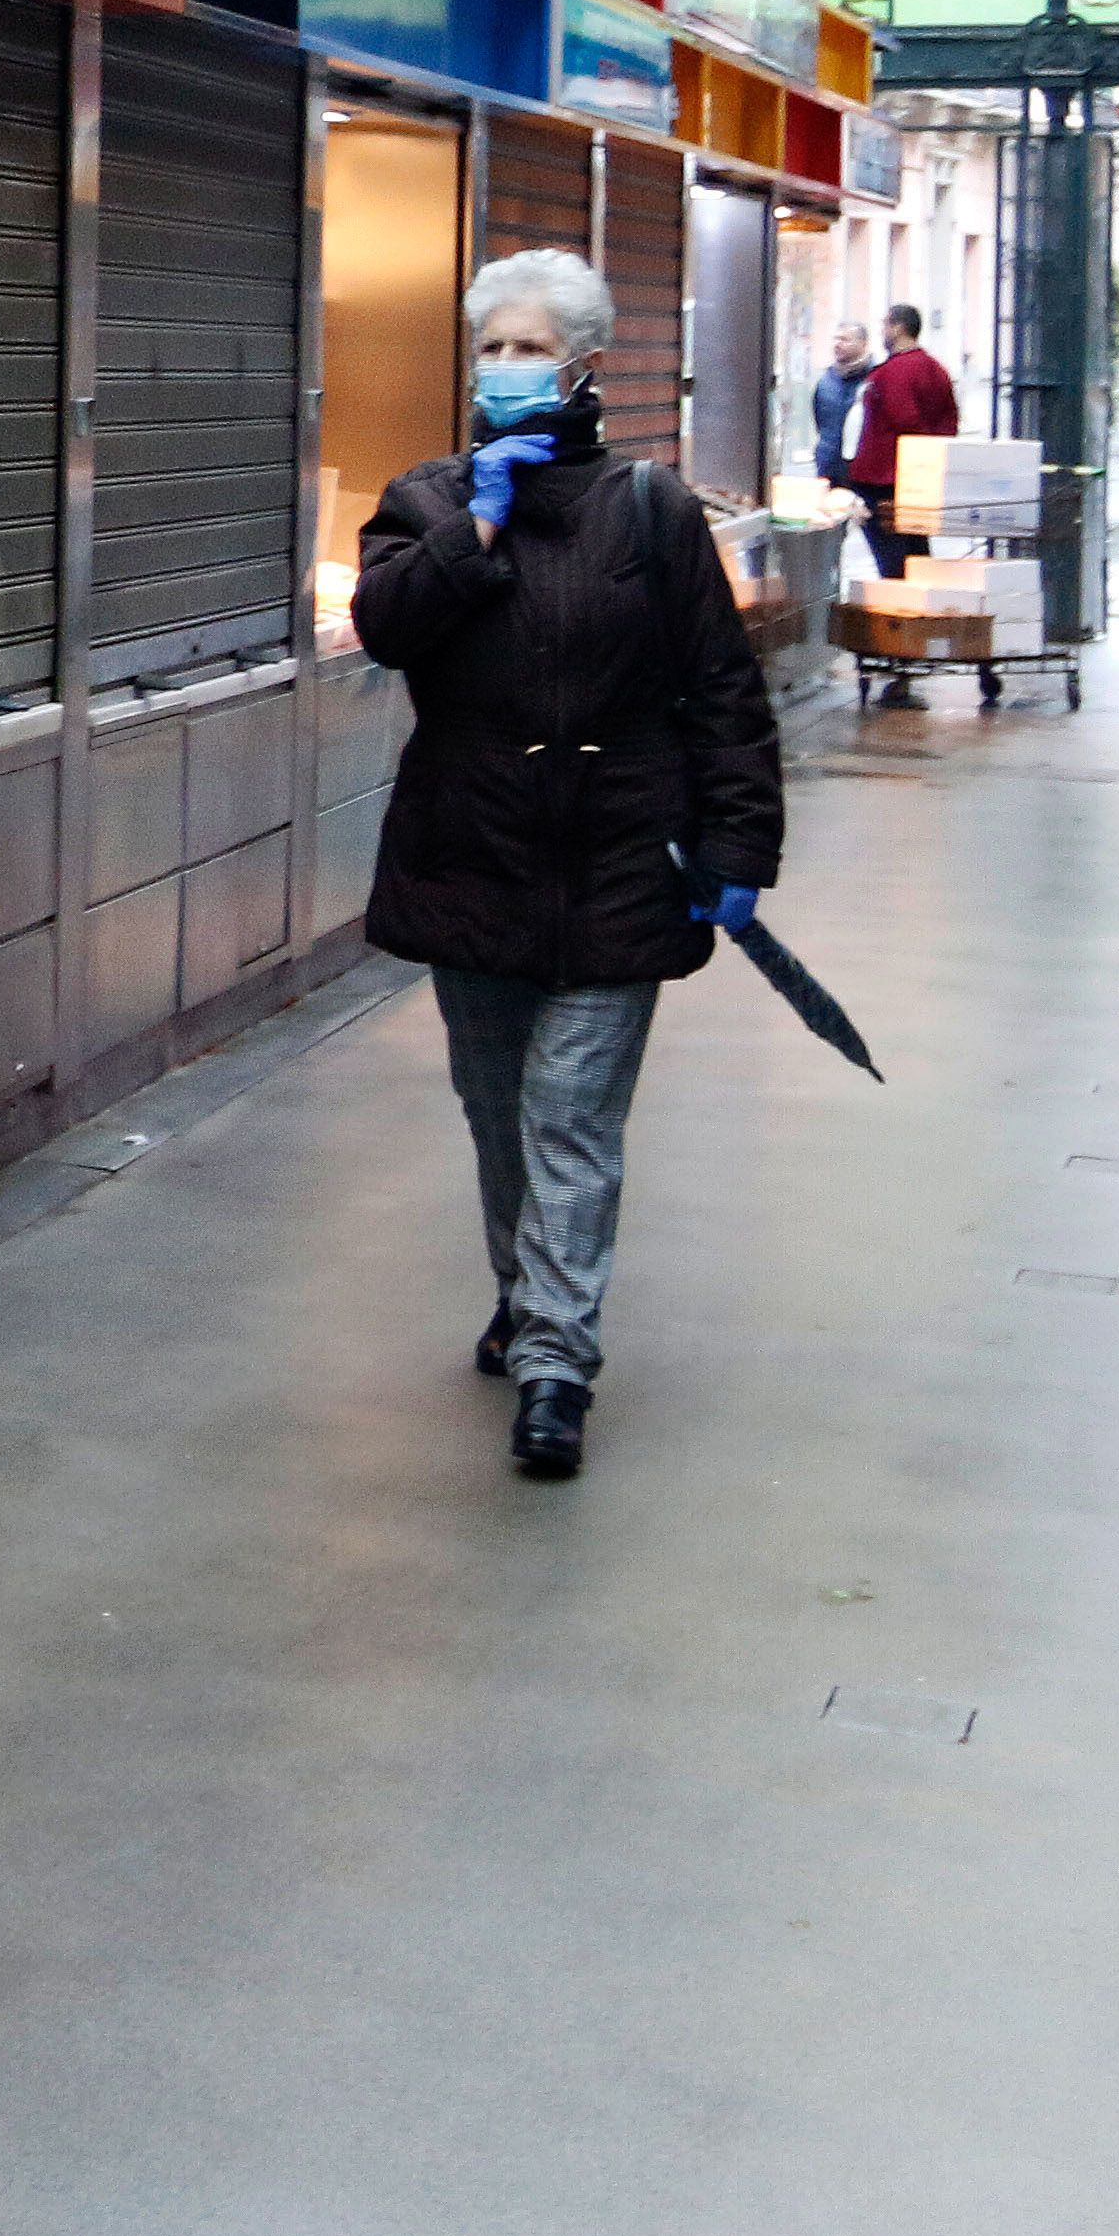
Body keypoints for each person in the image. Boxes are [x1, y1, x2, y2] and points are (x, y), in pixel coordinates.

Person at [353, 248, 786, 1482]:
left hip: (617, 852)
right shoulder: (426, 500)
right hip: (470, 849)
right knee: (500, 1116)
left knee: (572, 1120)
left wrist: (737, 842)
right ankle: (523, 1289)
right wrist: (474, 525)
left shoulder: (651, 512)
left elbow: (720, 691)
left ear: (585, 365)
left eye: (531, 348)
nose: (506, 368)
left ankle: (556, 1362)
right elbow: (386, 630)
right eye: (491, 347)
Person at [837, 302, 959, 703]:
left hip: (885, 480)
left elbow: (905, 420)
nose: (883, 331)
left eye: (885, 325)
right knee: (917, 562)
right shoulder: (936, 370)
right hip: (918, 482)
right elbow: (948, 420)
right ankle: (920, 646)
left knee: (893, 569)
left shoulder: (893, 374)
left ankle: (901, 658)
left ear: (899, 328)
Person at [807, 326, 870, 491]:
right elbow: (819, 419)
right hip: (828, 465)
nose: (838, 344)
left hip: (862, 469)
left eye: (845, 339)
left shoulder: (874, 378)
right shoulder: (826, 381)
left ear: (863, 343)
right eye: (836, 339)